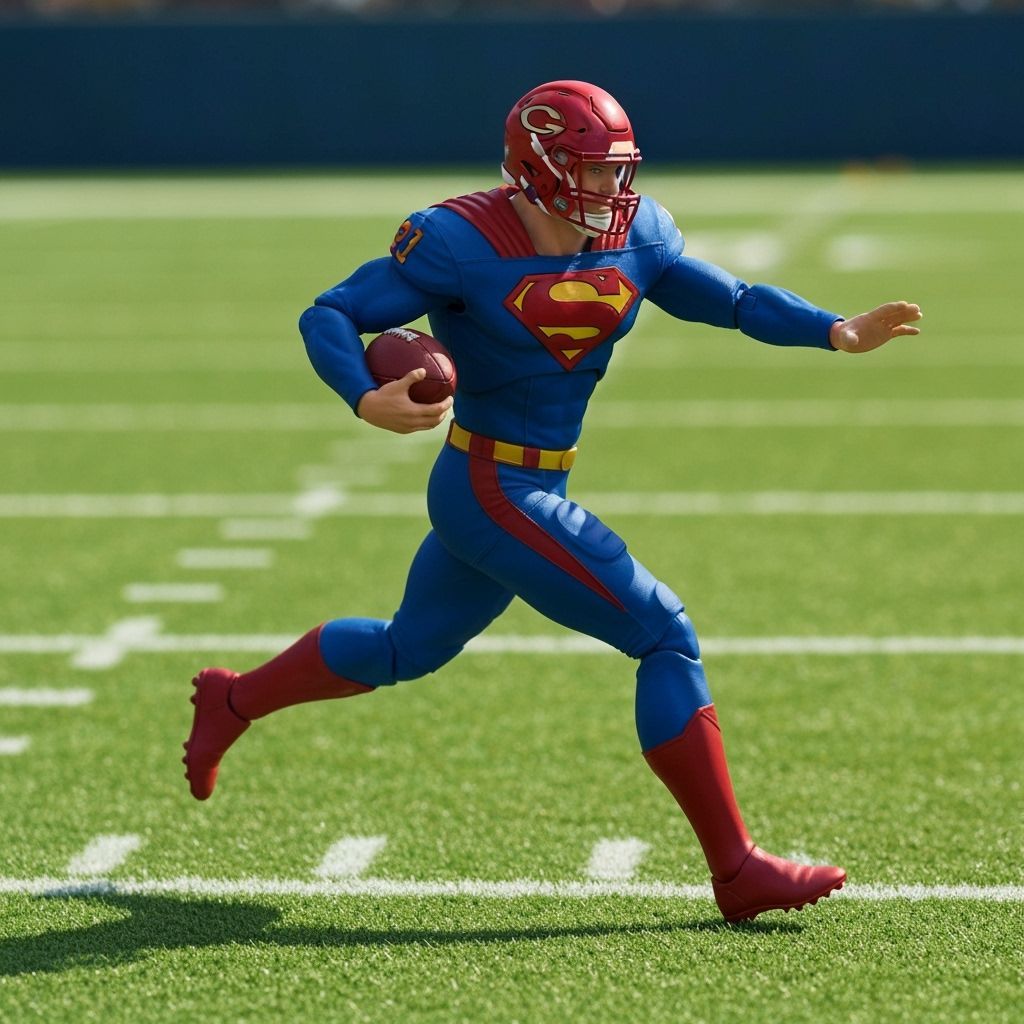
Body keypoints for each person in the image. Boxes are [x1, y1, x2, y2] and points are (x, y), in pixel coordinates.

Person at [183, 80, 922, 923]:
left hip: (534, 478)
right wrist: (361, 395)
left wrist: (835, 329)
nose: (614, 191)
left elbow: (736, 300)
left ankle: (233, 699)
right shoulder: (460, 240)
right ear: (538, 166)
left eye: (619, 171)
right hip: (491, 484)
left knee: (405, 649)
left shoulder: (637, 236)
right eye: (595, 171)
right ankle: (737, 869)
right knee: (665, 637)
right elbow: (332, 312)